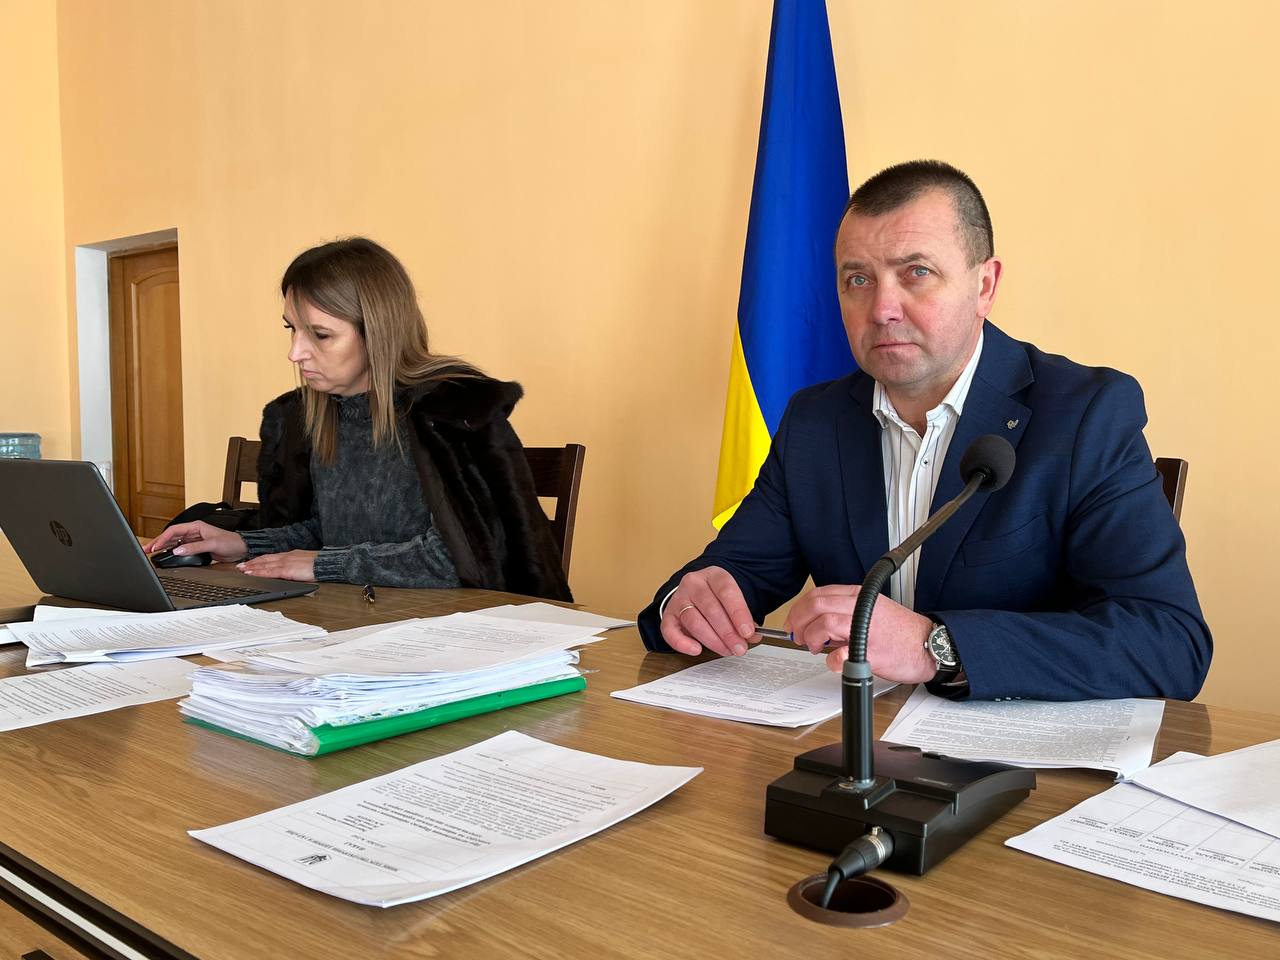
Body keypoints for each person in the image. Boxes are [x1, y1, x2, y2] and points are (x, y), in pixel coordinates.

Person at [637, 160, 1211, 702]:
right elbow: (735, 574)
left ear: (984, 286)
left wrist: (935, 646)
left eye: (917, 273)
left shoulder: (1085, 414)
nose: (882, 309)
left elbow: (1169, 642)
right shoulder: (816, 421)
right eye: (858, 279)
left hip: (1022, 759)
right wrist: (688, 603)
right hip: (852, 743)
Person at [147, 237, 571, 601]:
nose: (295, 353)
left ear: (377, 331)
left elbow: (466, 559)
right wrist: (241, 542)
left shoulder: (453, 412)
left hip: (453, 630)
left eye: (320, 334)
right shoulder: (315, 414)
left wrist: (325, 565)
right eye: (291, 329)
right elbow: (329, 533)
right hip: (358, 616)